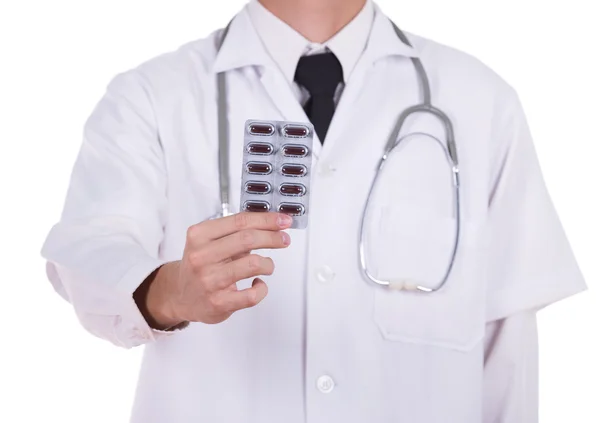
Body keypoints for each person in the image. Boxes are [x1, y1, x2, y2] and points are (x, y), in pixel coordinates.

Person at [41, 0, 586, 422]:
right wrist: (169, 291)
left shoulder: (480, 102)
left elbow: (509, 352)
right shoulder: (152, 96)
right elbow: (89, 251)